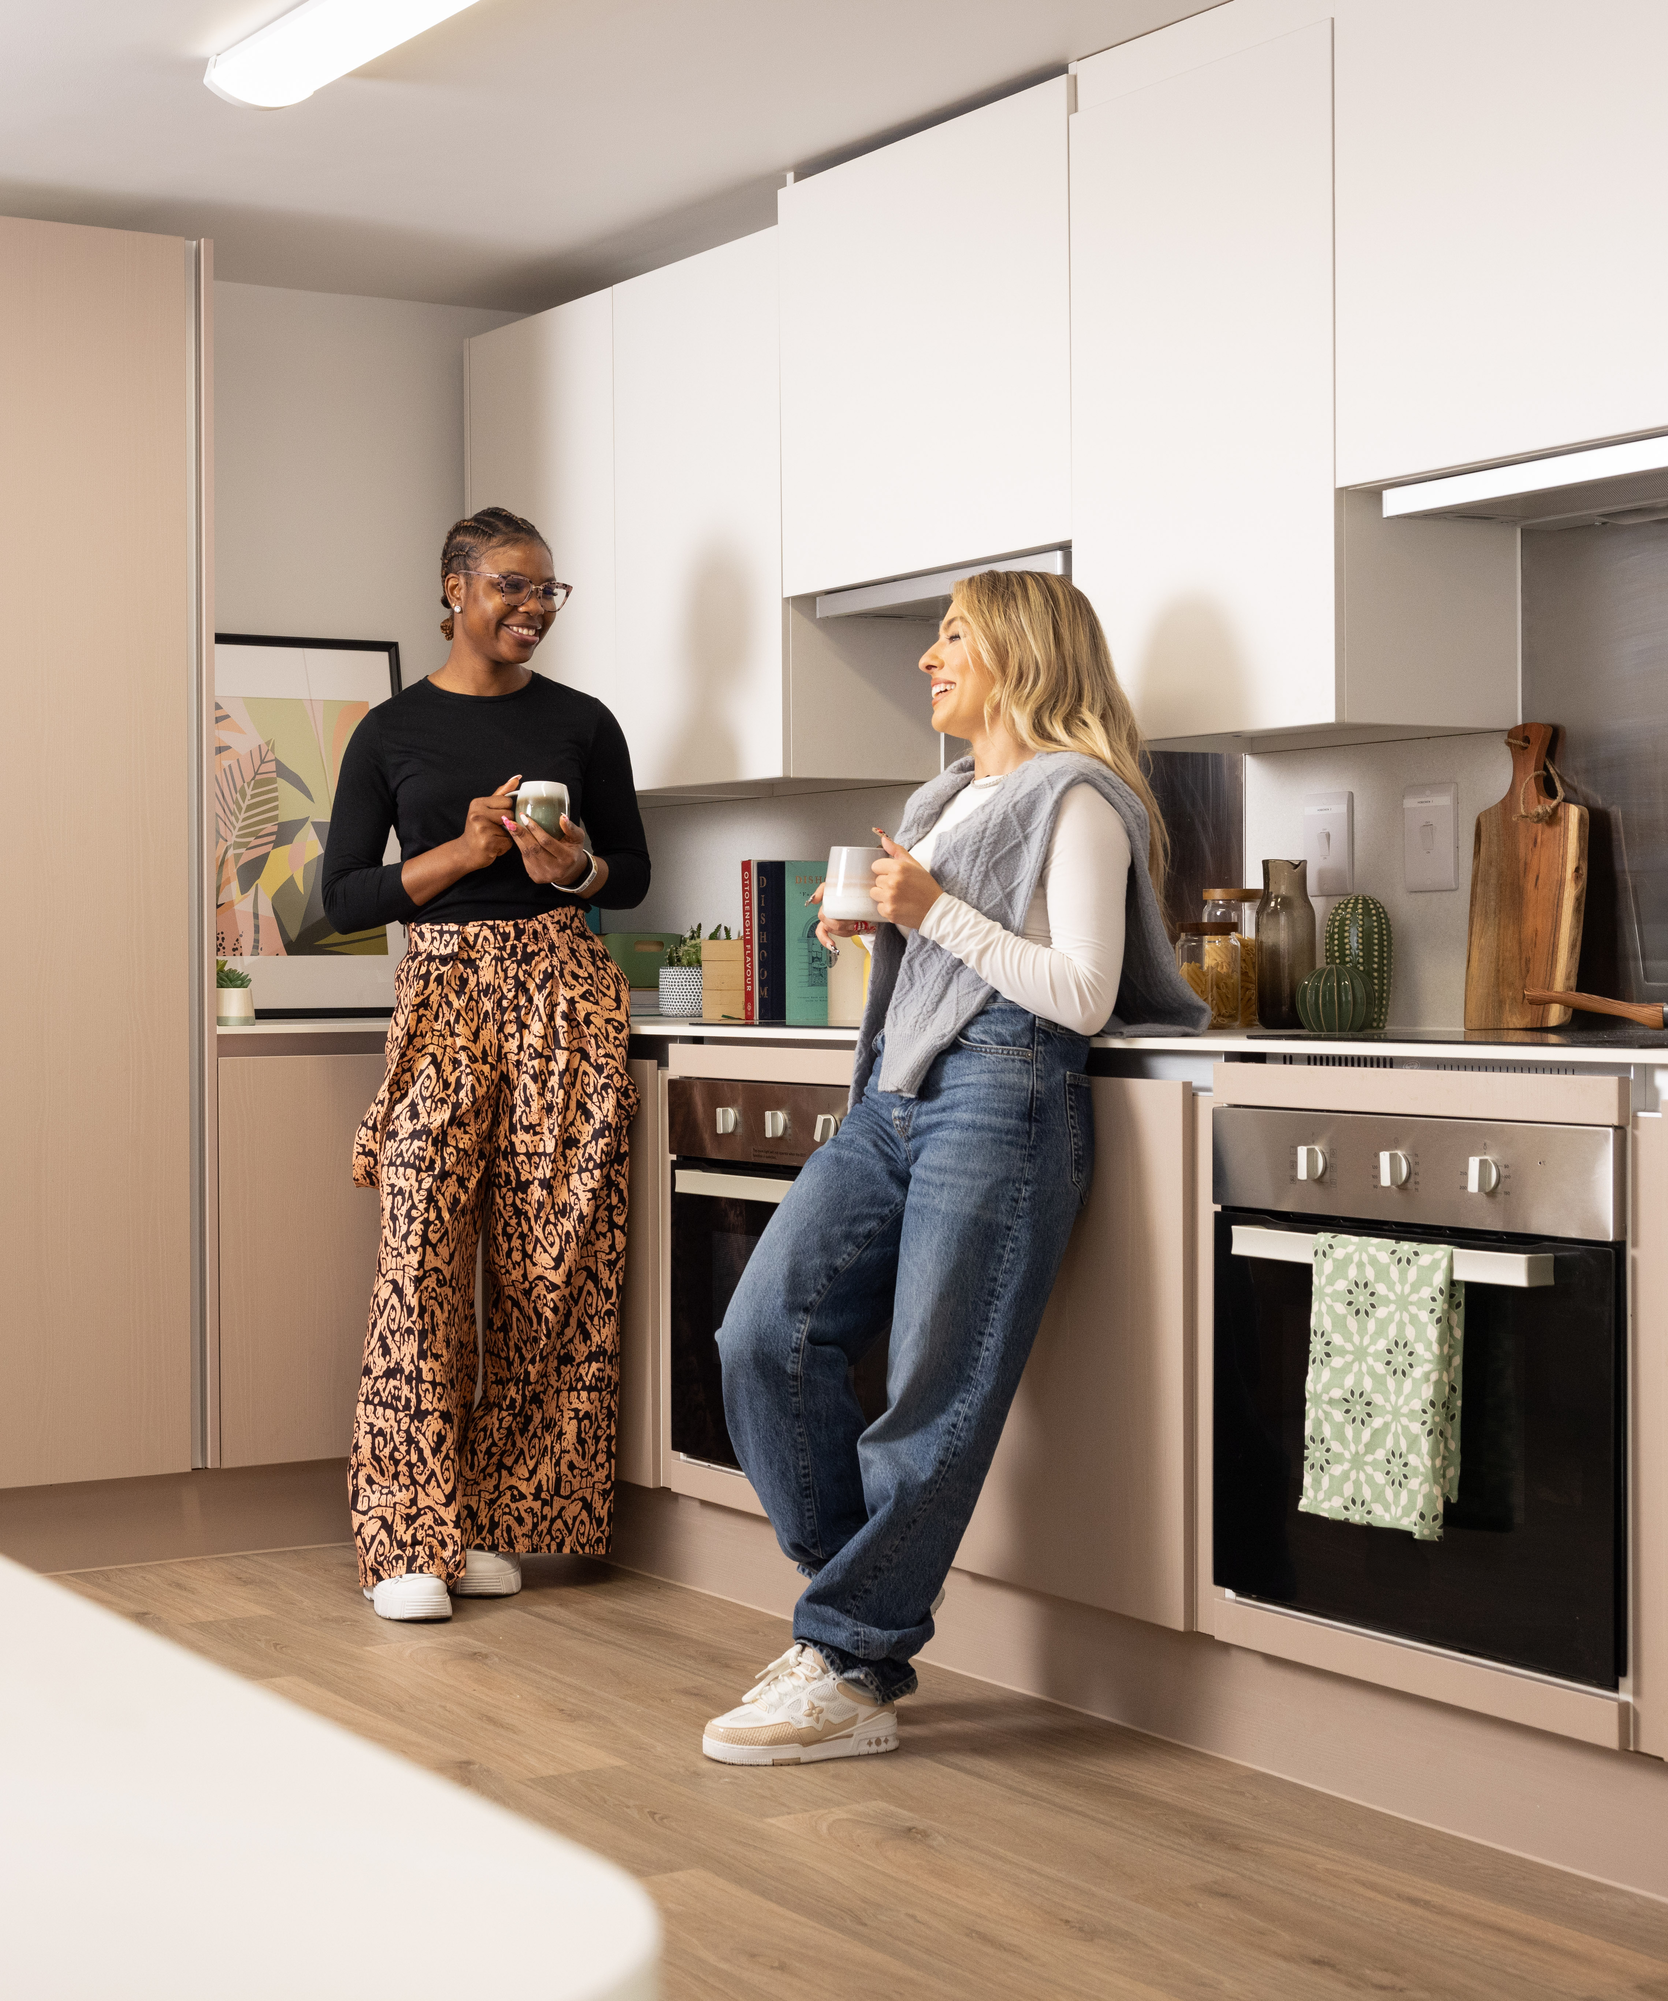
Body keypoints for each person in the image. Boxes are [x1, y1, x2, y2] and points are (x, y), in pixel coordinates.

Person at [701, 568, 1206, 1761]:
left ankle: (848, 1656)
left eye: (954, 636)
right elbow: (948, 941)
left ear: (1022, 659)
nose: (928, 656)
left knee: (935, 1393)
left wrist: (929, 913)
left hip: (1004, 1095)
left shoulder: (1076, 797)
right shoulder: (941, 799)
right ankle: (854, 1623)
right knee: (760, 1336)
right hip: (894, 1098)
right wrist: (881, 921)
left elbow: (1079, 996)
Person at [319, 506, 652, 1623]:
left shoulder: (585, 724)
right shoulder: (389, 732)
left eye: (551, 591)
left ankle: (500, 1519)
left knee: (549, 1265)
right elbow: (339, 902)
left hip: (564, 986)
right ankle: (407, 1533)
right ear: (453, 588)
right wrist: (463, 851)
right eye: (514, 585)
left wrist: (572, 864)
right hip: (445, 995)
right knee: (418, 1257)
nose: (535, 608)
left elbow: (633, 875)